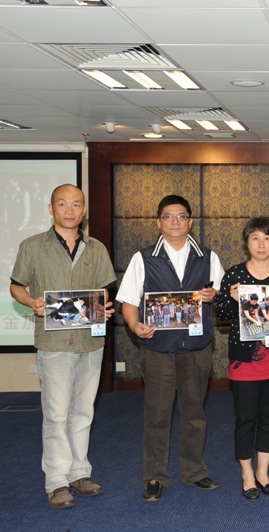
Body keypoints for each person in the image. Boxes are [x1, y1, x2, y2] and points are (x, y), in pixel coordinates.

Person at [9, 184, 116, 509]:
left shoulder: (96, 248)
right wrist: (32, 302)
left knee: (83, 412)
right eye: (63, 204)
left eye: (76, 204)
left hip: (90, 342)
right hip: (53, 342)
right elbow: (16, 286)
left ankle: (79, 474)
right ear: (51, 208)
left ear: (84, 210)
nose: (70, 210)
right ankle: (57, 481)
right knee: (56, 415)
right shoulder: (32, 246)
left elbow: (105, 289)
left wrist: (102, 306)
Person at [116, 195, 224, 502]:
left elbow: (220, 293)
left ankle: (194, 471)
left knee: (195, 414)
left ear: (190, 221)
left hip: (197, 349)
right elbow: (128, 302)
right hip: (158, 349)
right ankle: (154, 476)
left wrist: (213, 295)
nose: (175, 221)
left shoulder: (207, 256)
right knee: (157, 415)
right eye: (168, 216)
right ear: (159, 222)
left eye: (181, 216)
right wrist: (135, 325)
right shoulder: (143, 258)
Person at [217, 217, 269, 500]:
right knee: (245, 419)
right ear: (246, 242)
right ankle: (246, 474)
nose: (261, 245)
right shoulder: (234, 275)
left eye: (267, 238)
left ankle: (263, 472)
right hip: (245, 360)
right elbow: (221, 315)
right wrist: (231, 299)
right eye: (255, 238)